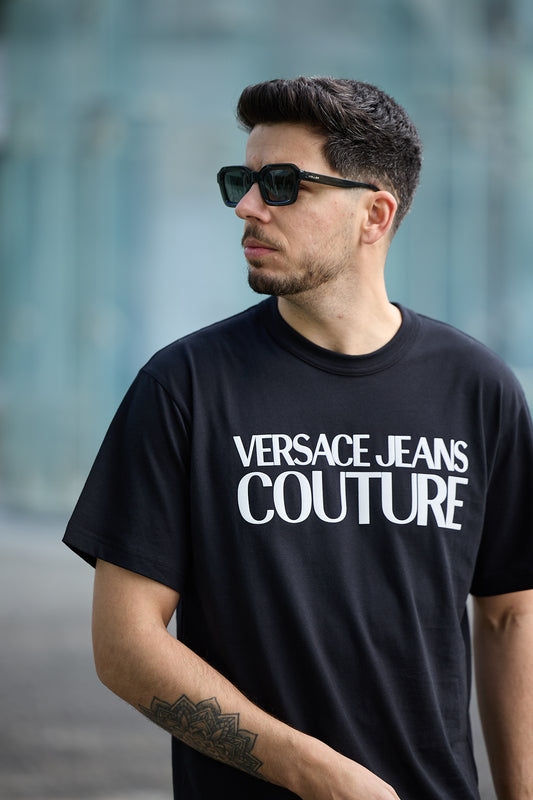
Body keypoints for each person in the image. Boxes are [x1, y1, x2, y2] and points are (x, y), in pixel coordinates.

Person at [63, 77, 533, 800]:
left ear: (374, 214)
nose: (248, 207)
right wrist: (316, 775)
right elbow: (125, 646)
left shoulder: (477, 388)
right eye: (242, 181)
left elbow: (509, 615)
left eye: (283, 184)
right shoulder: (184, 387)